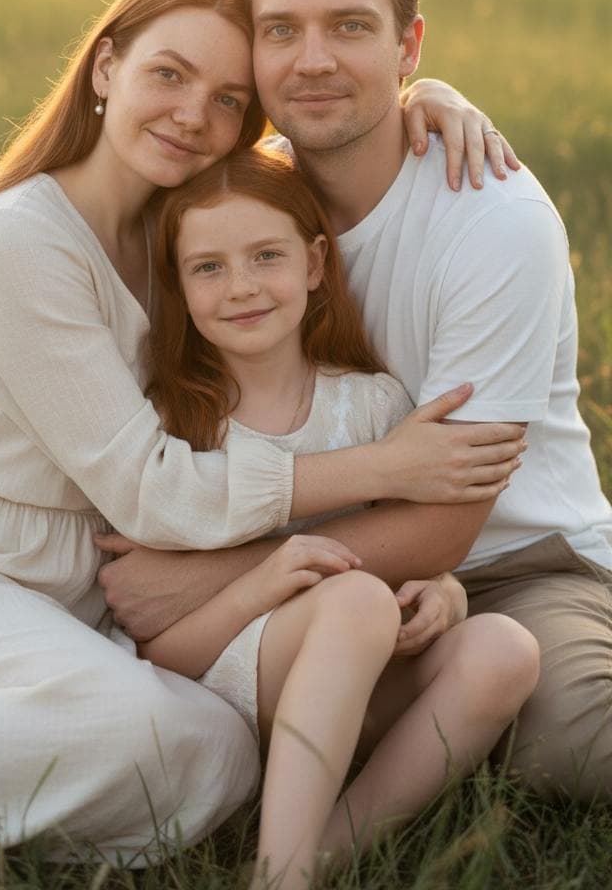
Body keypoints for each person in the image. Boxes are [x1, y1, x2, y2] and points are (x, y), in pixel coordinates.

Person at [0, 0, 525, 858]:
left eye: (228, 100)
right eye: (168, 74)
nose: (192, 116)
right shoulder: (22, 236)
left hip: (96, 594)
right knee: (152, 736)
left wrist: (429, 95)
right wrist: (381, 466)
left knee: (211, 749)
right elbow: (147, 490)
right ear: (104, 69)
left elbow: (315, 163)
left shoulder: (188, 231)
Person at [88, 0, 612, 804]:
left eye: (351, 27)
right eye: (280, 28)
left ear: (408, 49)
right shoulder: (238, 199)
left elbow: (451, 517)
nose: (314, 59)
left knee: (570, 752)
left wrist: (216, 579)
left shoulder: (491, 220)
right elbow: (77, 304)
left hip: (505, 564)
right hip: (315, 568)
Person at [139, 147, 539, 890]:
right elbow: (155, 656)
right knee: (354, 597)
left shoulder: (372, 405)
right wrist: (263, 585)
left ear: (317, 263)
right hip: (225, 679)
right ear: (178, 285)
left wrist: (444, 588)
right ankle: (280, 877)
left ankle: (324, 855)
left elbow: (412, 552)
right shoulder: (169, 424)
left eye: (267, 255)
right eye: (208, 267)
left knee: (506, 648)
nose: (243, 288)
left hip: (356, 668)